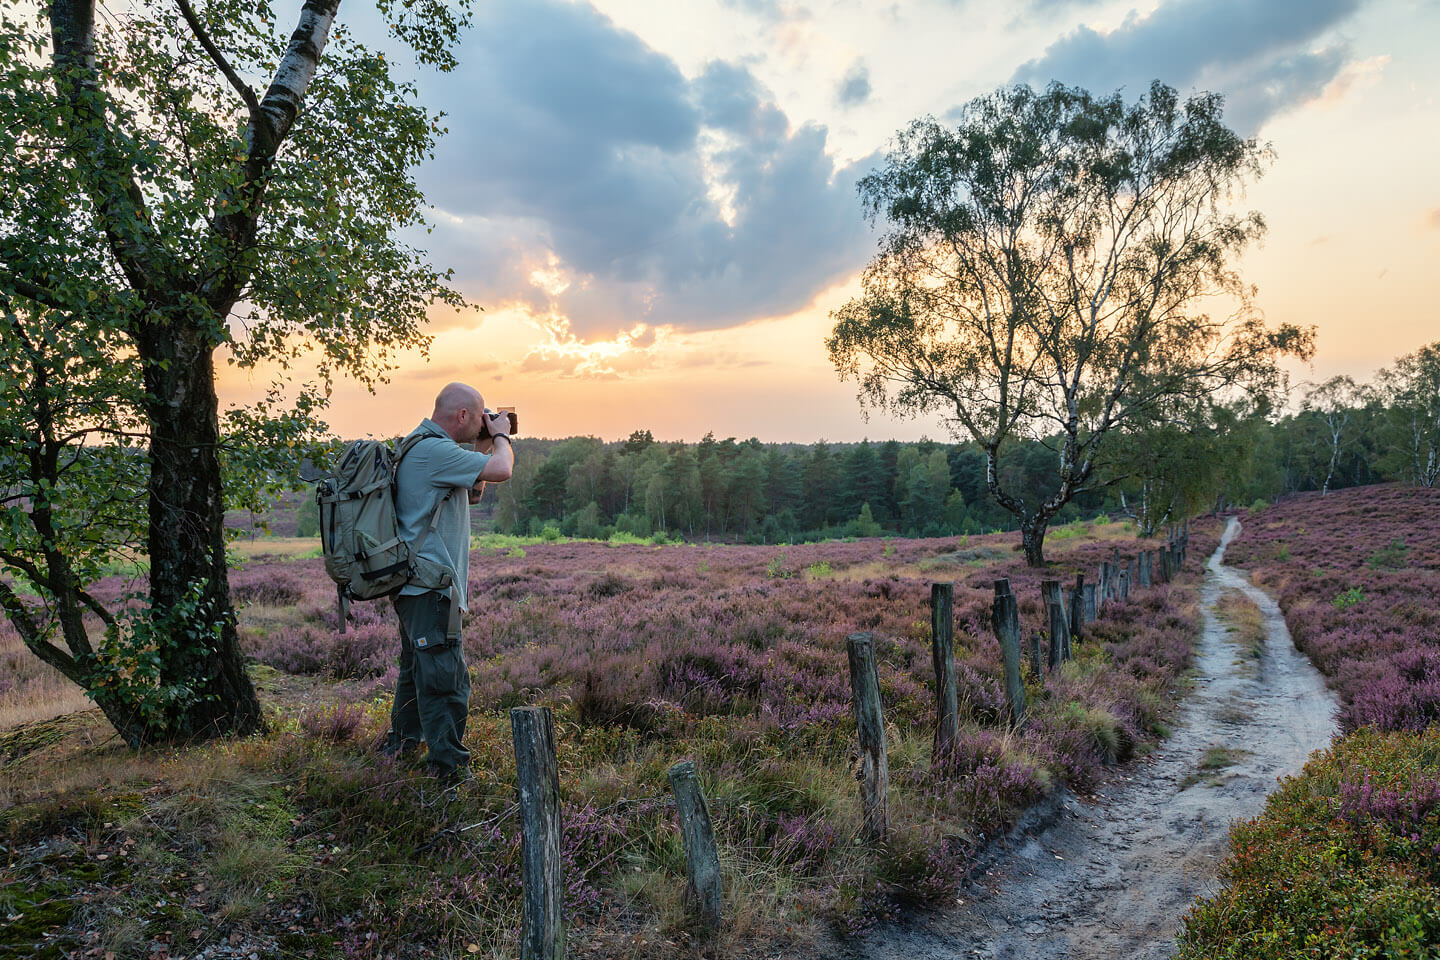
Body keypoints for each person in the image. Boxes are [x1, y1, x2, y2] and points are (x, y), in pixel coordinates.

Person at [382, 382, 514, 787]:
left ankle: (400, 748)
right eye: (477, 418)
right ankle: (449, 772)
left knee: (416, 671)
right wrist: (502, 434)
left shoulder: (421, 445)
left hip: (416, 586)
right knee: (444, 679)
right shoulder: (434, 450)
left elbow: (473, 491)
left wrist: (480, 439)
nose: (482, 424)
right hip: (431, 588)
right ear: (462, 417)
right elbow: (502, 469)